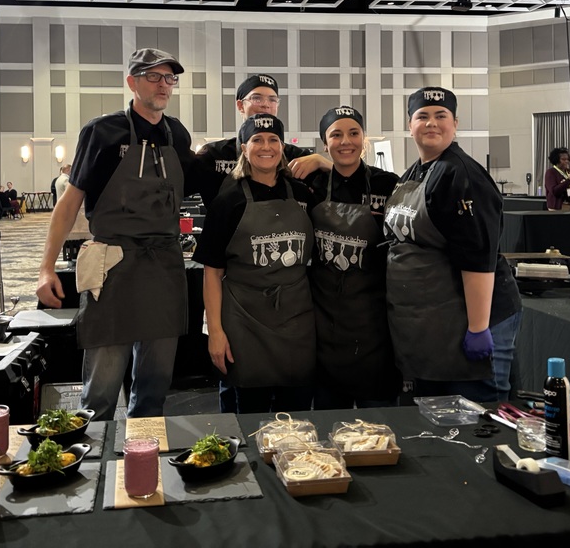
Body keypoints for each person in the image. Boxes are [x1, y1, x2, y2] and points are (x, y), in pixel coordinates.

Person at [35, 47, 198, 421]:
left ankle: (145, 452)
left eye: (169, 78)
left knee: (155, 386)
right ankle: (96, 456)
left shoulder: (177, 134)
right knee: (101, 392)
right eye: (153, 76)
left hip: (164, 267)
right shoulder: (102, 132)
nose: (163, 84)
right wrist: (46, 267)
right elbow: (69, 204)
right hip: (113, 267)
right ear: (132, 82)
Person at [195, 73, 329, 413]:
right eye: (257, 140)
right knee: (247, 415)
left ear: (283, 147)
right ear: (244, 147)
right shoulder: (228, 201)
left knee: (298, 414)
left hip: (297, 320)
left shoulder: (303, 193)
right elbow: (212, 273)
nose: (266, 147)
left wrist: (322, 160)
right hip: (244, 321)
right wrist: (216, 332)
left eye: (273, 140)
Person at [383, 87, 522, 403]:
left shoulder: (461, 174)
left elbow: (479, 257)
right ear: (410, 125)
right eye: (422, 116)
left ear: (455, 123)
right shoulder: (416, 172)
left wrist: (478, 327)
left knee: (478, 415)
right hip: (437, 320)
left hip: (471, 317)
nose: (431, 123)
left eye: (441, 116)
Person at [305, 106, 400, 409]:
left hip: (374, 324)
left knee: (379, 424)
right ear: (325, 144)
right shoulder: (311, 187)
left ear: (364, 139)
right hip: (326, 323)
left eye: (354, 133)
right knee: (329, 421)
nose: (346, 141)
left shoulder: (389, 184)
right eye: (336, 135)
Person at [196, 74, 330, 207]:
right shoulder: (213, 155)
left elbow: (337, 192)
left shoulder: (296, 157)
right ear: (240, 106)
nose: (265, 104)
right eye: (257, 98)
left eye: (272, 100)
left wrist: (324, 163)